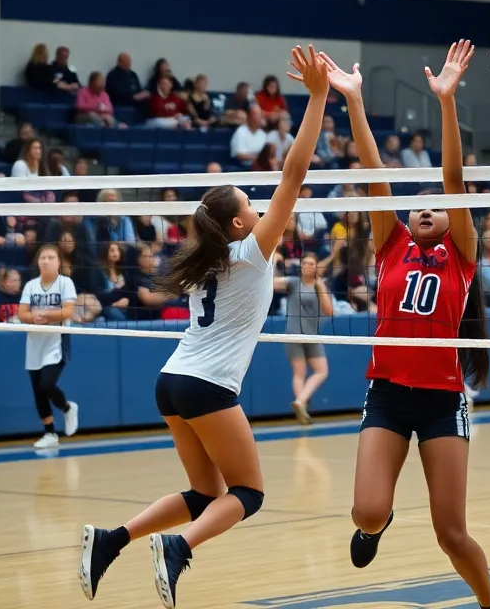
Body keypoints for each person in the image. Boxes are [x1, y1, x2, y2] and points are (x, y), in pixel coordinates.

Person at [78, 46, 329, 609]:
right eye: (252, 203)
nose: (262, 207)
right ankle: (178, 550)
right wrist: (316, 98)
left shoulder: (203, 260)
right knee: (249, 493)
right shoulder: (252, 251)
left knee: (204, 492)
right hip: (207, 384)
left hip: (172, 379)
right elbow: (295, 170)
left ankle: (111, 541)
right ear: (241, 222)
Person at [323, 42, 490, 609]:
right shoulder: (390, 244)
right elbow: (375, 174)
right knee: (366, 510)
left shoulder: (463, 253)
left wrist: (446, 103)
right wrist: (353, 101)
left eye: (437, 205)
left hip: (443, 400)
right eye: (417, 203)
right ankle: (374, 527)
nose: (426, 208)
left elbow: (453, 177)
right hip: (388, 396)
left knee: (450, 532)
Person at [19, 245, 78, 449]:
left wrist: (45, 315)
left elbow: (68, 311)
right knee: (38, 390)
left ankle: (67, 407)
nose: (45, 260)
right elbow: (22, 313)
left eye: (50, 257)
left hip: (56, 341)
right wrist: (33, 317)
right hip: (34, 342)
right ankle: (50, 433)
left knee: (47, 384)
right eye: (42, 257)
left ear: (58, 262)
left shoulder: (65, 283)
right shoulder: (30, 286)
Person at [276, 252, 331, 424]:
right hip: (293, 333)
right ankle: (302, 407)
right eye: (304, 263)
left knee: (322, 371)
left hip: (312, 335)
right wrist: (273, 262)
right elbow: (271, 284)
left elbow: (329, 311)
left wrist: (321, 288)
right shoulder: (293, 283)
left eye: (310, 263)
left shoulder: (319, 286)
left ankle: (300, 402)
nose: (307, 266)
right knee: (299, 373)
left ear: (316, 267)